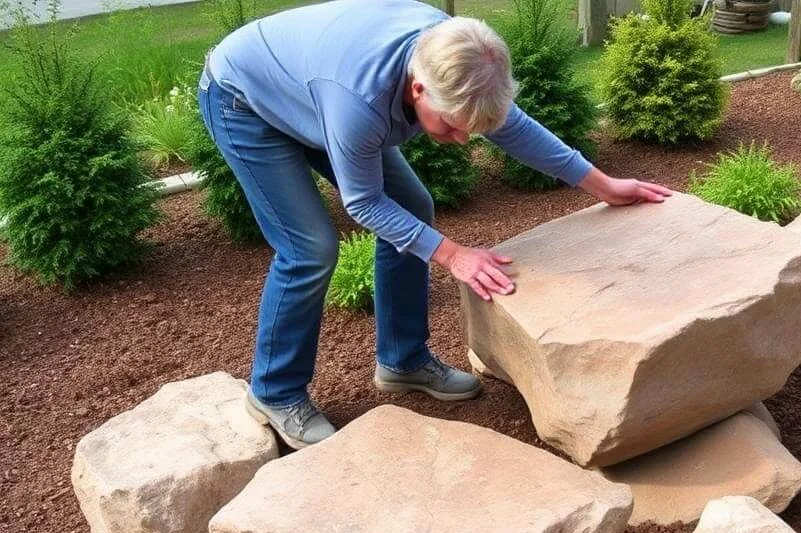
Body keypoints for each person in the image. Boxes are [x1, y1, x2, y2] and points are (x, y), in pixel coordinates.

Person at [199, 0, 671, 449]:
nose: (463, 139)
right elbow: (363, 203)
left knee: (413, 205)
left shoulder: (457, 55)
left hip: (314, 90)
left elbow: (512, 127)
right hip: (246, 102)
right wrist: (452, 254)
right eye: (451, 125)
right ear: (418, 89)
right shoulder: (359, 103)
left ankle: (402, 361)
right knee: (310, 249)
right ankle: (274, 391)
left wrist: (602, 184)